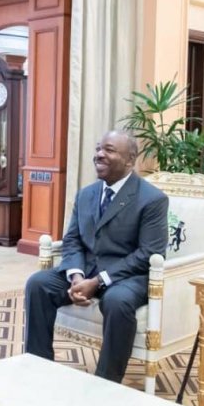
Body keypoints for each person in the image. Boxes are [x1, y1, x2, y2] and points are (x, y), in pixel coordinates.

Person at [24, 129, 168, 383]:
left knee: (117, 302)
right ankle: (38, 366)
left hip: (125, 277)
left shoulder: (152, 199)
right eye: (98, 149)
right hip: (86, 271)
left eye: (109, 150)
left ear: (130, 159)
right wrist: (77, 276)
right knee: (38, 284)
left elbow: (149, 252)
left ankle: (107, 382)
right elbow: (72, 240)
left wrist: (99, 281)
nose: (99, 154)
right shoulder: (86, 194)